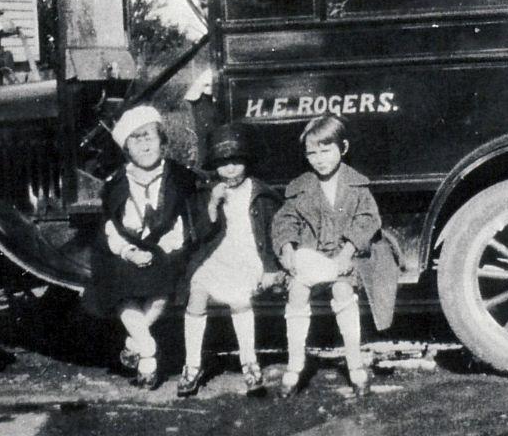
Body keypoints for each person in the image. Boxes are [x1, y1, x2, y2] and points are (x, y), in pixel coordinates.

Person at [83, 105, 203, 390]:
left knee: (162, 289)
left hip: (166, 249)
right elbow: (110, 226)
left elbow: (182, 226)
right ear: (126, 148)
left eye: (149, 136)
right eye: (136, 139)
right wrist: (129, 252)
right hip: (125, 250)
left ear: (162, 140)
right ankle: (148, 354)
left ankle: (133, 342)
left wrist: (158, 251)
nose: (145, 144)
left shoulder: (180, 177)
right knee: (120, 285)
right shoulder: (116, 183)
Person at [271, 114, 381, 398]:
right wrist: (287, 247)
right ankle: (295, 364)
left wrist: (347, 251)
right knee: (296, 292)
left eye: (326, 150)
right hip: (312, 256)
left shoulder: (357, 186)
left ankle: (355, 363)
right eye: (312, 153)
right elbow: (285, 220)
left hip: (345, 256)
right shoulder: (301, 187)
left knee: (343, 291)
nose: (319, 159)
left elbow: (367, 220)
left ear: (342, 148)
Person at [177, 123, 283, 398]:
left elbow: (274, 233)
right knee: (196, 294)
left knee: (239, 299)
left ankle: (249, 362)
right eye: (223, 163)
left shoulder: (260, 193)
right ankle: (192, 365)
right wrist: (212, 204)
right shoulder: (210, 193)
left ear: (246, 162)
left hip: (249, 257)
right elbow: (200, 235)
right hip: (218, 255)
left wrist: (271, 268)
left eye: (236, 162)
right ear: (215, 166)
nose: (231, 169)